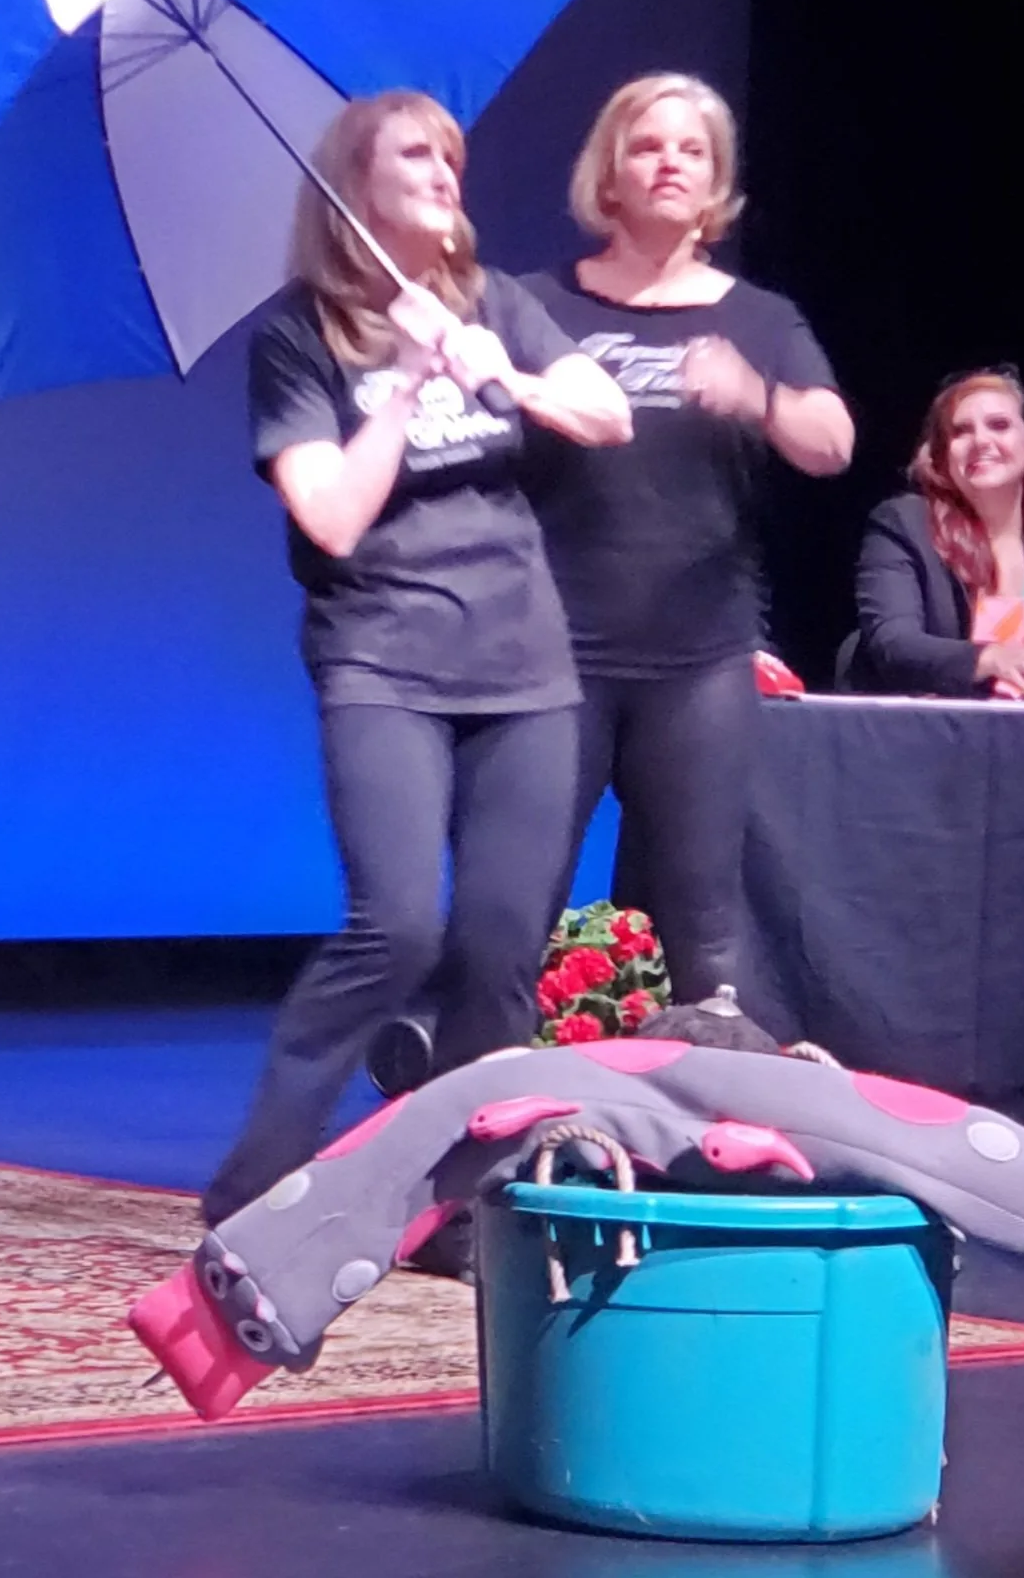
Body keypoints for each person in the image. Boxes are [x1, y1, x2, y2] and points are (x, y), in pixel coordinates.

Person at [201, 91, 632, 1229]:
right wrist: (399, 382)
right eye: (415, 155)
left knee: (501, 944)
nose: (445, 173)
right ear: (356, 183)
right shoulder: (296, 336)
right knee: (396, 927)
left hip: (522, 659)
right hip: (383, 657)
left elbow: (608, 416)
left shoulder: (494, 304)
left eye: (451, 155)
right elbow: (333, 518)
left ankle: (456, 1201)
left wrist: (506, 374)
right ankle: (256, 1185)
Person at [523, 73, 854, 1006]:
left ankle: (698, 1092)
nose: (670, 163)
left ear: (715, 184)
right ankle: (484, 1083)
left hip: (699, 662)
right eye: (648, 146)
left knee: (703, 923)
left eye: (692, 150)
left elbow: (832, 445)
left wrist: (756, 396)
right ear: (610, 175)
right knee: (518, 902)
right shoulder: (536, 305)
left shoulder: (758, 319)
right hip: (551, 654)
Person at [851, 368, 1024, 699]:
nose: (981, 441)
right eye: (961, 432)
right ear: (943, 454)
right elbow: (894, 645)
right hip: (925, 724)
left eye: (999, 425)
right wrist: (992, 658)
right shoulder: (902, 523)